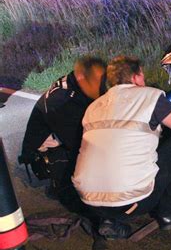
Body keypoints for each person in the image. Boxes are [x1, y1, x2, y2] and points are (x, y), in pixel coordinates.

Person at [72, 56, 171, 239]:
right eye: (142, 75)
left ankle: (108, 221)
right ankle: (170, 212)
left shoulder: (94, 106)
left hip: (89, 202)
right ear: (136, 76)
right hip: (133, 203)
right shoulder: (148, 95)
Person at [19, 56, 107, 208]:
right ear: (81, 77)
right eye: (97, 80)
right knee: (88, 153)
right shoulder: (61, 100)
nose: (101, 85)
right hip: (46, 151)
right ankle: (60, 185)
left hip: (61, 133)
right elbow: (78, 142)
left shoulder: (76, 83)